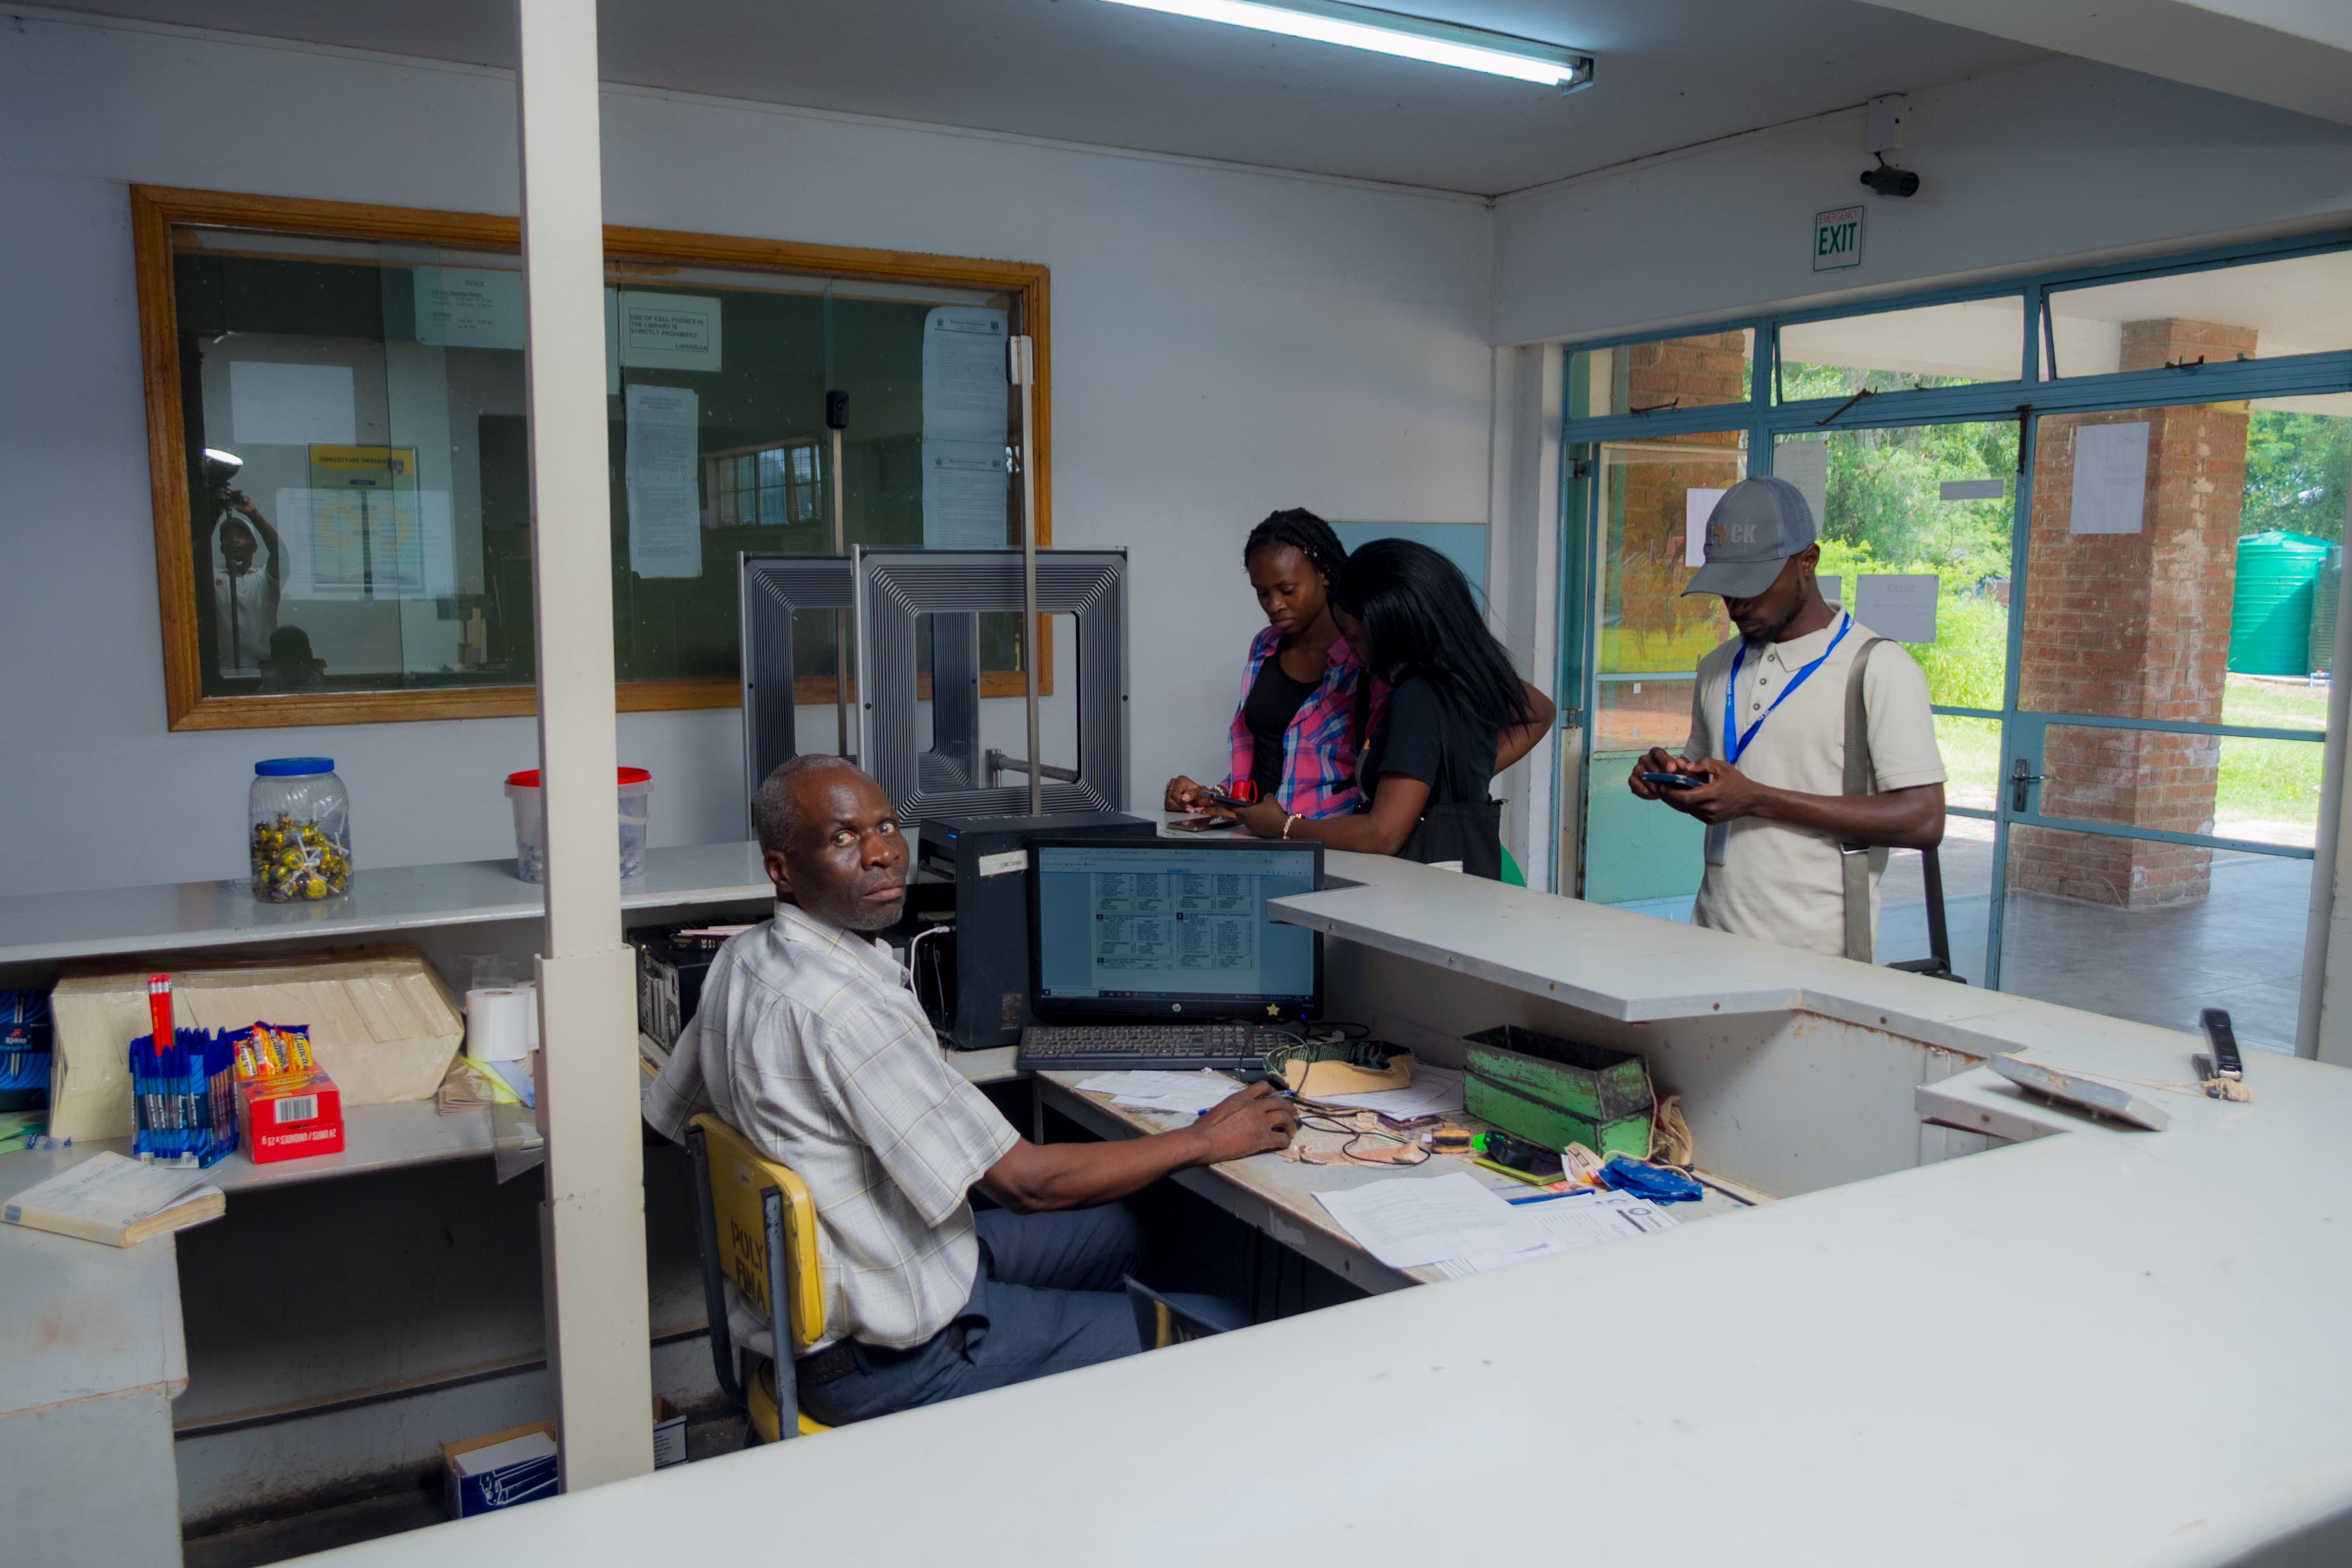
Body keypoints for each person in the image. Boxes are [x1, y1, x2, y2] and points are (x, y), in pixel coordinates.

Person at [644, 755, 1297, 1424]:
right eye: (843, 837)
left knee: (1116, 1231)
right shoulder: (850, 1012)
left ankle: (1078, 1396)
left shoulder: (741, 959)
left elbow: (659, 1121)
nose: (881, 853)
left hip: (869, 1281)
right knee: (1220, 1324)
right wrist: (1205, 1138)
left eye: (886, 826)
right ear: (781, 868)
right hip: (896, 1358)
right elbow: (1028, 1185)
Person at [1628, 475, 1945, 961]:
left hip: (1818, 958)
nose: (1737, 604)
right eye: (1726, 587)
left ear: (1808, 561)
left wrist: (1757, 799)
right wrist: (1672, 782)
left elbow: (1924, 821)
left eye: (1753, 583)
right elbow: (1720, 793)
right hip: (1710, 941)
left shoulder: (1877, 668)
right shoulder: (1717, 666)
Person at [1220, 539, 1554, 879]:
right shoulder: (1453, 678)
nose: (1351, 651)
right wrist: (1458, 776)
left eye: (1353, 637)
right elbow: (1541, 712)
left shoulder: (1417, 696)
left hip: (1421, 893)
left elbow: (1382, 834)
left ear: (1390, 628)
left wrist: (1284, 827)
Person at [1164, 509, 1381, 821]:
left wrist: (1281, 824)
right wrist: (1214, 796)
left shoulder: (1364, 658)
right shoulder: (1264, 647)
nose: (1274, 605)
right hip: (1256, 835)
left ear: (1324, 573)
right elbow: (1262, 769)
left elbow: (1373, 785)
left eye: (1287, 590)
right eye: (1262, 593)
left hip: (1329, 838)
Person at [202, 448, 281, 675]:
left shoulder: (264, 579)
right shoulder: (213, 578)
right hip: (221, 672)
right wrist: (214, 514)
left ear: (255, 547)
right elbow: (192, 554)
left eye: (242, 535)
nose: (234, 540)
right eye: (227, 536)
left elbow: (280, 553)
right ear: (221, 547)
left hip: (263, 671)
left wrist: (254, 514)